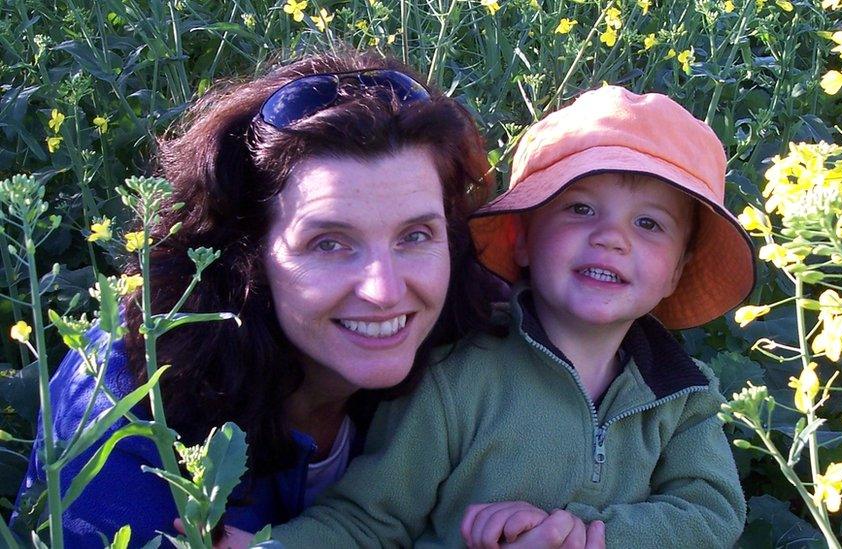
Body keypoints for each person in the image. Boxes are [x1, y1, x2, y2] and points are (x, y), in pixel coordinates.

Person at [12, 50, 498, 547]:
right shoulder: (131, 395)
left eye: (415, 235)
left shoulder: (480, 364)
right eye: (329, 243)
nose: (385, 291)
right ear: (246, 253)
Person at [259, 86, 755, 547]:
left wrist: (581, 536)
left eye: (649, 223)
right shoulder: (454, 379)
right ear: (521, 238)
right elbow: (366, 520)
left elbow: (712, 514)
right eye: (581, 209)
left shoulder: (684, 394)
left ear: (676, 273)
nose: (612, 237)